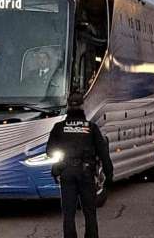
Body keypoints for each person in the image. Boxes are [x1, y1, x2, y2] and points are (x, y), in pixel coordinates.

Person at [46, 92, 113, 238]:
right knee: (89, 212)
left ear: (68, 106)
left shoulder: (59, 127)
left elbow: (49, 150)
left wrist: (62, 159)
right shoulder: (91, 127)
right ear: (83, 106)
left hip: (67, 172)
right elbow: (103, 153)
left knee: (68, 213)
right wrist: (109, 175)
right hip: (86, 173)